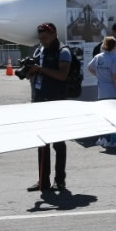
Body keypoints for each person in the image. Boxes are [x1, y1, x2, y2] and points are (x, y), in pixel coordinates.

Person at [26, 23, 71, 192]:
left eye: (45, 38)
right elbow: (34, 73)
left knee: (58, 143)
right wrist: (29, 71)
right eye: (40, 38)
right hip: (39, 101)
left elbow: (62, 75)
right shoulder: (40, 50)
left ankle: (60, 180)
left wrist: (41, 69)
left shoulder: (63, 51)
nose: (43, 41)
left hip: (56, 102)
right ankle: (42, 180)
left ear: (54, 34)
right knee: (42, 143)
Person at [88, 36, 116, 101]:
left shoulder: (98, 57)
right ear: (114, 46)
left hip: (101, 92)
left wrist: (98, 75)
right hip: (113, 92)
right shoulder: (114, 59)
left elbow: (89, 68)